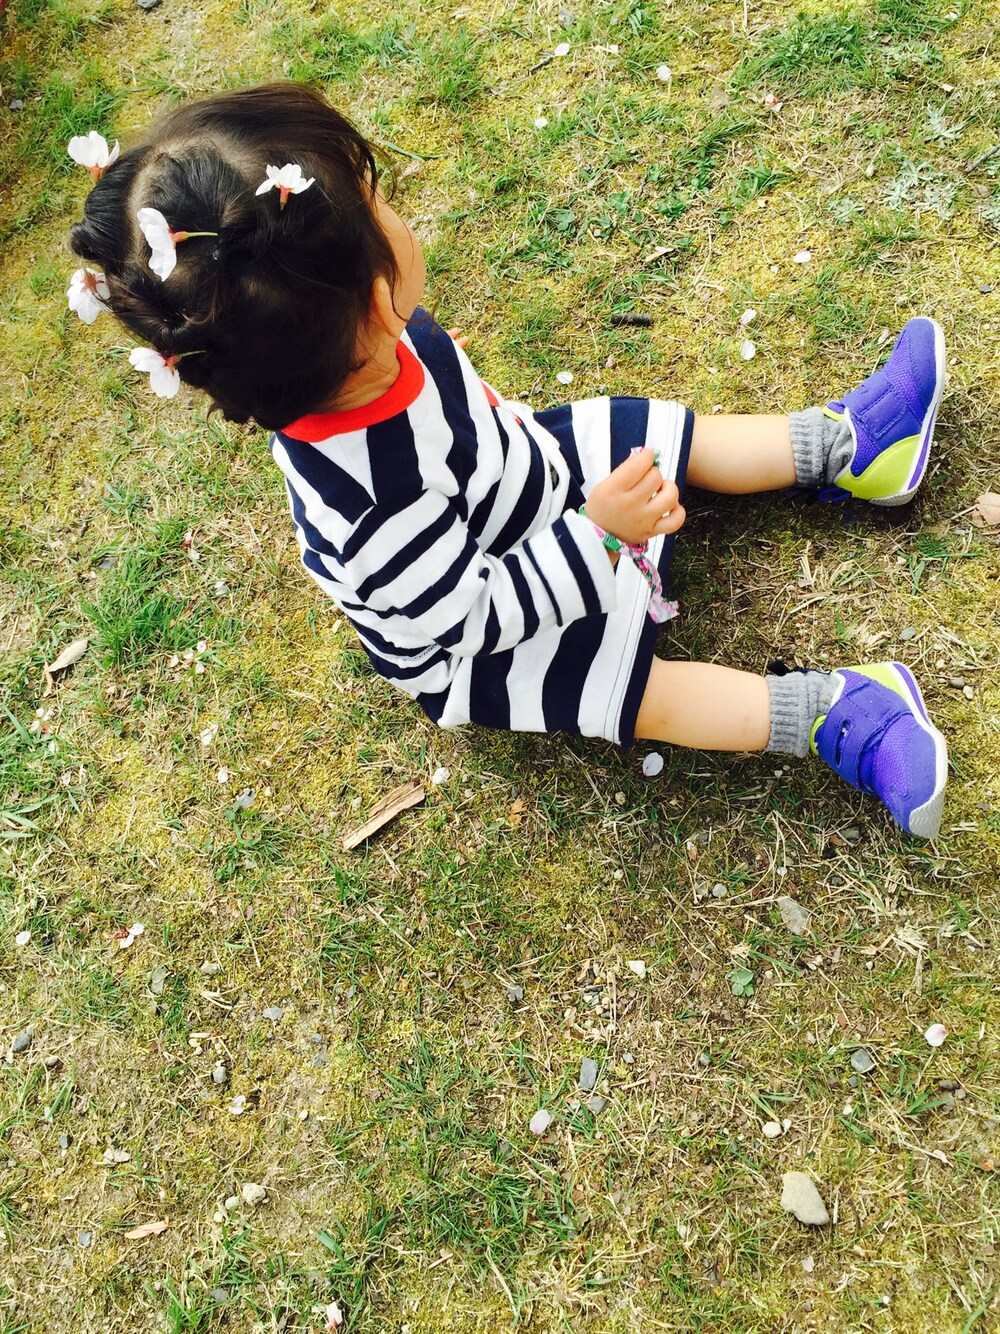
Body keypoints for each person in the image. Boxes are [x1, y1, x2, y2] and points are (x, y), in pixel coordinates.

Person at [68, 82, 948, 838]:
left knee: (657, 430)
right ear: (373, 298)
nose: (395, 213)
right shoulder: (372, 509)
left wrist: (547, 473)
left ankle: (849, 446)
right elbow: (471, 618)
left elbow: (463, 420)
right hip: (485, 635)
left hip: (519, 481)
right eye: (379, 205)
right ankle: (834, 713)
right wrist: (600, 536)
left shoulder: (368, 343)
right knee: (637, 692)